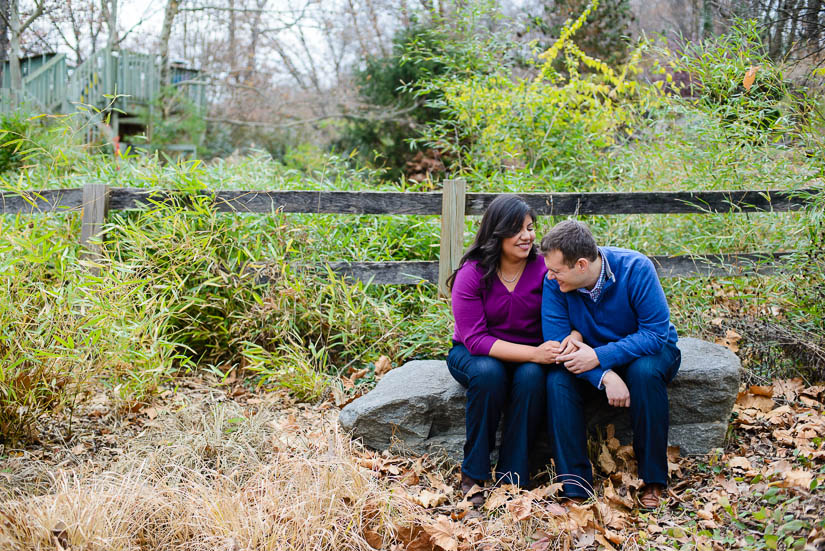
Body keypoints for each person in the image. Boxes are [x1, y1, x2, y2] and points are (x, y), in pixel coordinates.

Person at [446, 194, 579, 504]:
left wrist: (574, 334)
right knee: (490, 374)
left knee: (532, 377)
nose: (527, 236)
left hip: (528, 356)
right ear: (498, 231)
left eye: (530, 228)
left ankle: (512, 476)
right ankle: (474, 473)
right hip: (473, 354)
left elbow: (573, 307)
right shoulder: (472, 273)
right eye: (517, 229)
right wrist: (534, 353)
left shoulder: (543, 268)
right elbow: (475, 339)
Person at [539, 220, 680, 509]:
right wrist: (603, 375)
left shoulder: (635, 268)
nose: (550, 277)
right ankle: (575, 485)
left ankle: (653, 479)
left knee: (645, 373)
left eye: (556, 270)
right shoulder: (555, 284)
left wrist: (599, 356)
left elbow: (655, 334)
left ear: (580, 265)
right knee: (557, 380)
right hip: (594, 359)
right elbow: (558, 343)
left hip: (649, 351)